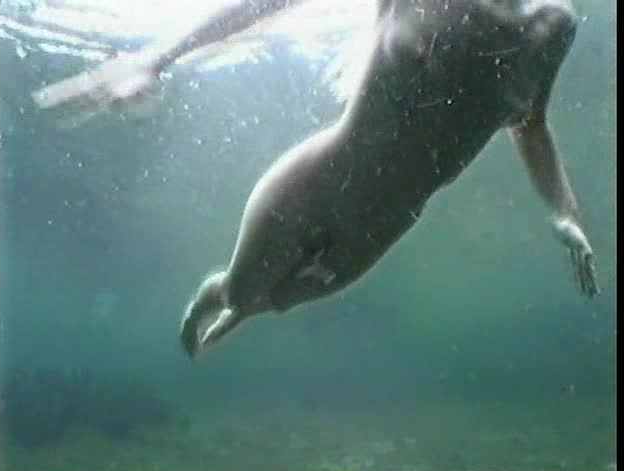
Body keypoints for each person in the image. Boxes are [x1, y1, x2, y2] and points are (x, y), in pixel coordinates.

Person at [32, 0, 600, 359]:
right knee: (244, 293)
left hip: (386, 225)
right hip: (316, 184)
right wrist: (159, 57)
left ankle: (240, 303)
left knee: (276, 300)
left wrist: (563, 213)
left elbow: (532, 124)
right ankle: (221, 292)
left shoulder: (554, 25)